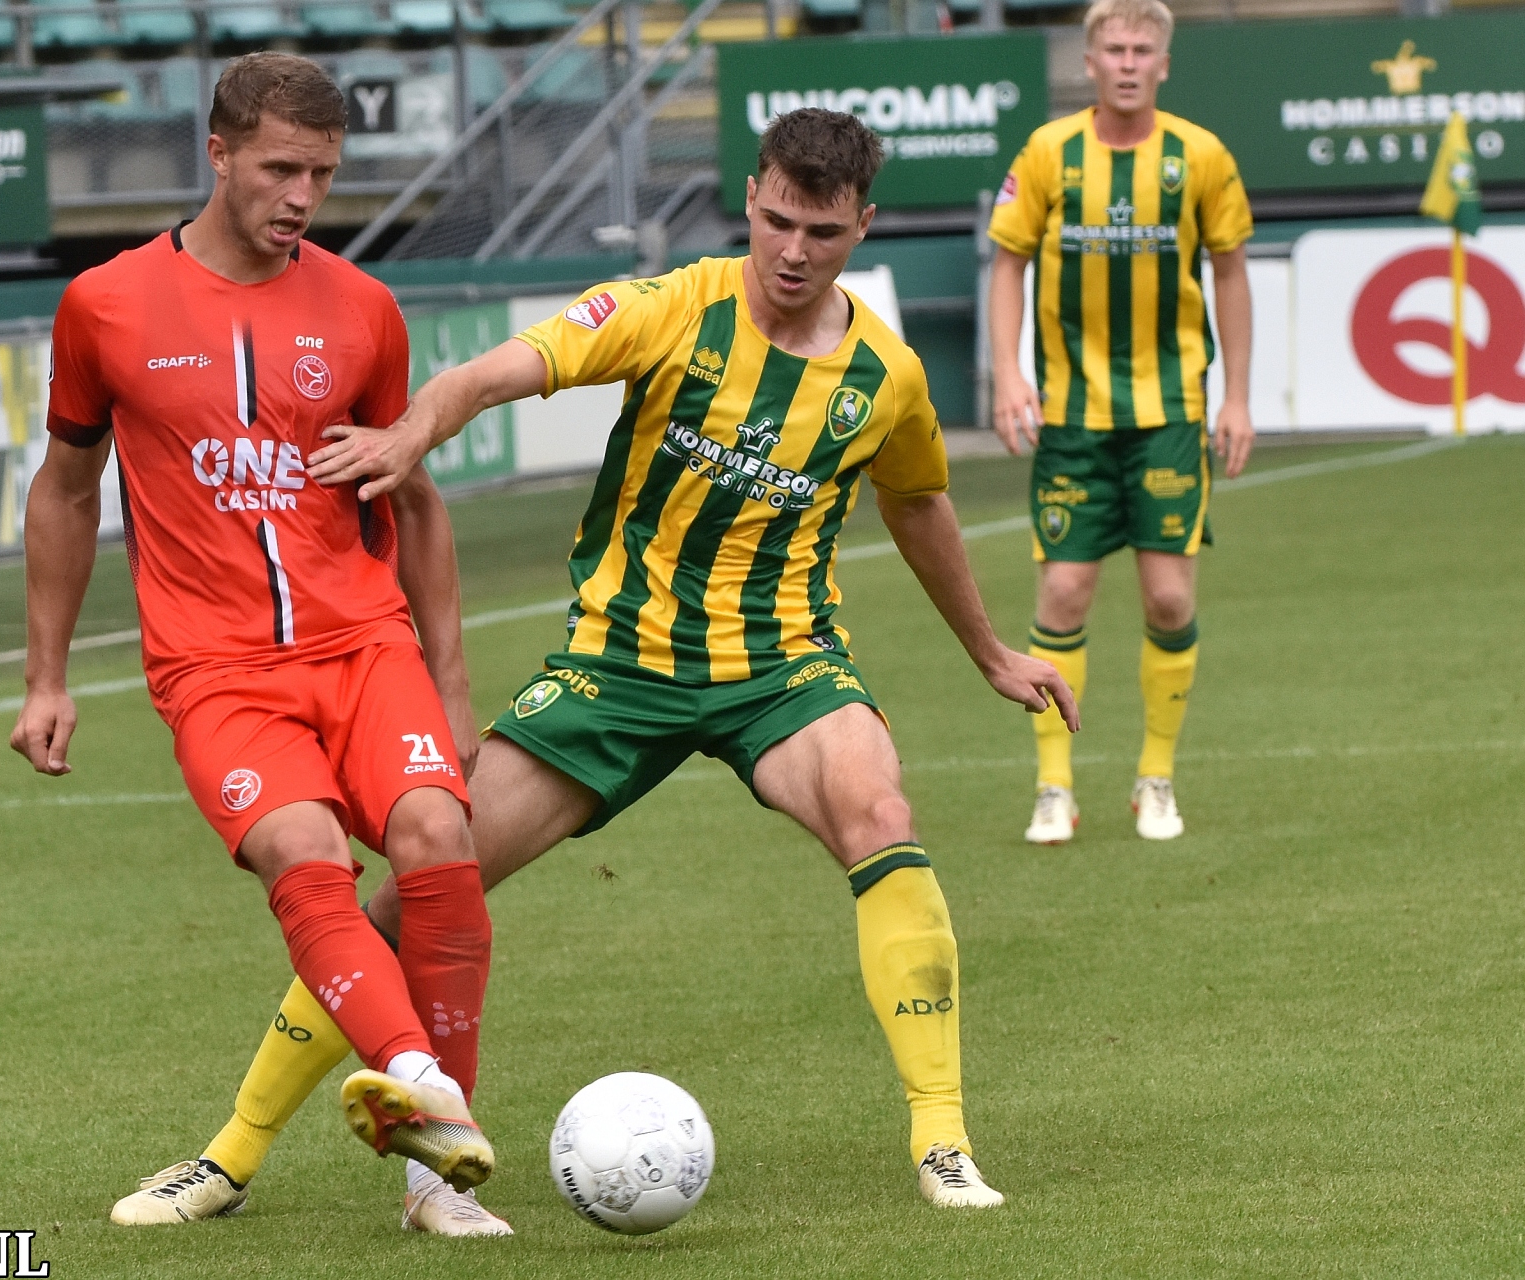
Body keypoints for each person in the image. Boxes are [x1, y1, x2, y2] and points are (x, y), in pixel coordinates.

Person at [114, 106, 1080, 1235]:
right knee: (424, 880)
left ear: (862, 226)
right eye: (774, 220)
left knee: (880, 808)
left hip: (783, 668)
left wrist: (989, 650)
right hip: (614, 668)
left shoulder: (886, 375)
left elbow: (918, 502)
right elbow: (496, 372)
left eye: (820, 232)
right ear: (752, 198)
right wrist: (411, 433)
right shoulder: (668, 308)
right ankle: (229, 1154)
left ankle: (944, 1139)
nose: (791, 251)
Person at [8, 52, 500, 1232]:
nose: (301, 194)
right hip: (214, 666)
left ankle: (435, 1175)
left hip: (363, 642)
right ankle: (429, 1093)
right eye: (280, 167)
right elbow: (66, 491)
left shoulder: (364, 308)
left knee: (437, 838)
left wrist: (450, 673)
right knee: (302, 849)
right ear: (217, 152)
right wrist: (47, 676)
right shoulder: (106, 305)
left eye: (322, 173)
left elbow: (414, 496)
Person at [986, 0, 1254, 845]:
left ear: (1164, 64)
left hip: (1170, 411)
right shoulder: (1049, 153)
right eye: (1115, 48)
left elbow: (1232, 274)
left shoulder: (1200, 155)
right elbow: (1007, 267)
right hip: (1072, 414)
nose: (1130, 61)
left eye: (1144, 49)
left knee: (1171, 598)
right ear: (1090, 61)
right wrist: (1008, 375)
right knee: (1064, 590)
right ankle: (1053, 786)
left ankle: (1156, 777)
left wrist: (1237, 396)